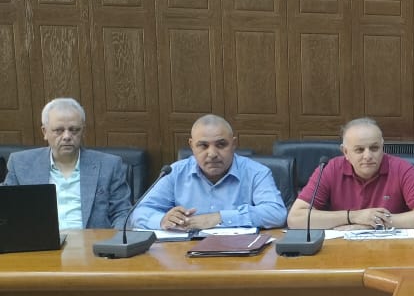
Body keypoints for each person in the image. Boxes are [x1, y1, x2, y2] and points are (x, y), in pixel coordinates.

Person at [131, 115, 286, 231]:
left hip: (240, 254)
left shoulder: (256, 172)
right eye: (203, 146)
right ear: (192, 146)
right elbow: (138, 213)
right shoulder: (175, 173)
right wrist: (162, 220)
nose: (212, 154)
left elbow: (276, 213)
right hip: (183, 254)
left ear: (234, 144)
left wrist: (219, 218)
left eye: (221, 145)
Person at [286, 118, 414, 230]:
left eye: (374, 148)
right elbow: (295, 218)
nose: (368, 156)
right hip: (341, 252)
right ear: (345, 152)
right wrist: (353, 217)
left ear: (382, 147)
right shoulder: (330, 169)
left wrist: (372, 223)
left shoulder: (402, 169)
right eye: (359, 150)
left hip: (392, 250)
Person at [2, 98, 132, 229]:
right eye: (59, 130)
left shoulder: (109, 165)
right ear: (45, 132)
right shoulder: (20, 164)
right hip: (40, 240)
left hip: (92, 240)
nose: (67, 136)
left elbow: (122, 213)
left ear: (83, 131)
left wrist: (116, 239)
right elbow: (6, 209)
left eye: (74, 130)